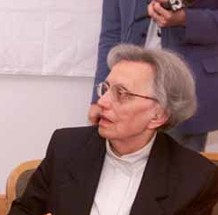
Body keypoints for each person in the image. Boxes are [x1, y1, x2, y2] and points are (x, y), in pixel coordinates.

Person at [4, 44, 218, 215]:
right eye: (105, 89)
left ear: (158, 115)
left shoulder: (195, 177)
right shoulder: (67, 147)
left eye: (121, 94)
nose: (103, 102)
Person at [89, 0, 218, 152]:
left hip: (186, 88)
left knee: (179, 171)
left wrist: (185, 19)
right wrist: (99, 98)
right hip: (125, 91)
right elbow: (111, 34)